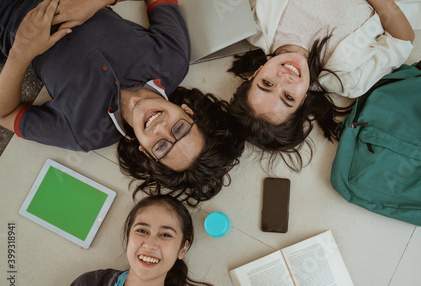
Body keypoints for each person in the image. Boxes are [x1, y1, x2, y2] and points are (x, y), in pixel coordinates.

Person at [0, 0, 244, 204]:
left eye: (161, 147)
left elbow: (5, 115)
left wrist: (21, 52)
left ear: (146, 153)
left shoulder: (83, 133)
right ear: (188, 111)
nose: (160, 128)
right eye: (179, 128)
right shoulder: (172, 59)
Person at [228, 0, 416, 171]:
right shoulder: (350, 79)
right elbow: (402, 40)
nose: (284, 78)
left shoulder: (255, 22)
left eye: (267, 83)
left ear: (255, 73)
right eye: (288, 96)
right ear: (303, 102)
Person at [44, 194, 225, 286]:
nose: (150, 244)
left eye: (165, 234)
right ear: (128, 237)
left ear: (182, 249)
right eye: (142, 230)